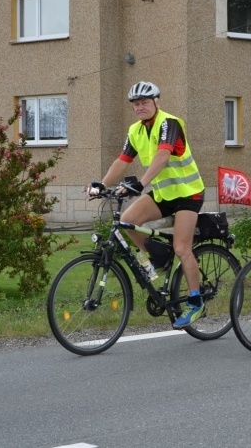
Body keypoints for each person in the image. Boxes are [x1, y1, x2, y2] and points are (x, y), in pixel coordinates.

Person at [88, 81, 206, 329]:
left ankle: (196, 301)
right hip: (163, 194)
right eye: (136, 104)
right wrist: (101, 184)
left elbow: (163, 156)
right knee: (126, 221)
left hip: (188, 194)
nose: (140, 107)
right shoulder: (135, 131)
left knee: (182, 248)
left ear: (156, 103)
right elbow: (122, 161)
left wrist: (140, 184)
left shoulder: (169, 123)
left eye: (144, 102)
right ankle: (159, 258)